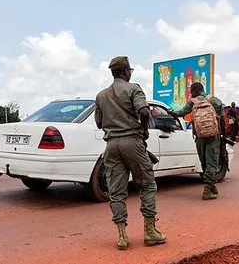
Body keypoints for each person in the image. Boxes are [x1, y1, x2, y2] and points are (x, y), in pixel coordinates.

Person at [94, 56, 166, 250]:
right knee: (147, 184)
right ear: (126, 71)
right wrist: (143, 130)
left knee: (116, 191)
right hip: (132, 142)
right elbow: (144, 112)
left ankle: (122, 237)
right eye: (130, 71)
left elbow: (99, 123)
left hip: (111, 146)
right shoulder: (134, 88)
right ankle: (150, 232)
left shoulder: (101, 95)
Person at [170, 82, 225, 200]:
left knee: (204, 161)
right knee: (212, 161)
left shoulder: (192, 102)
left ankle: (210, 186)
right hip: (213, 135)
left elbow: (180, 113)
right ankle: (209, 187)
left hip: (199, 136)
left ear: (195, 90)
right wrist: (223, 136)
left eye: (191, 91)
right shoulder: (214, 100)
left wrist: (171, 112)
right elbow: (222, 119)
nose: (190, 93)